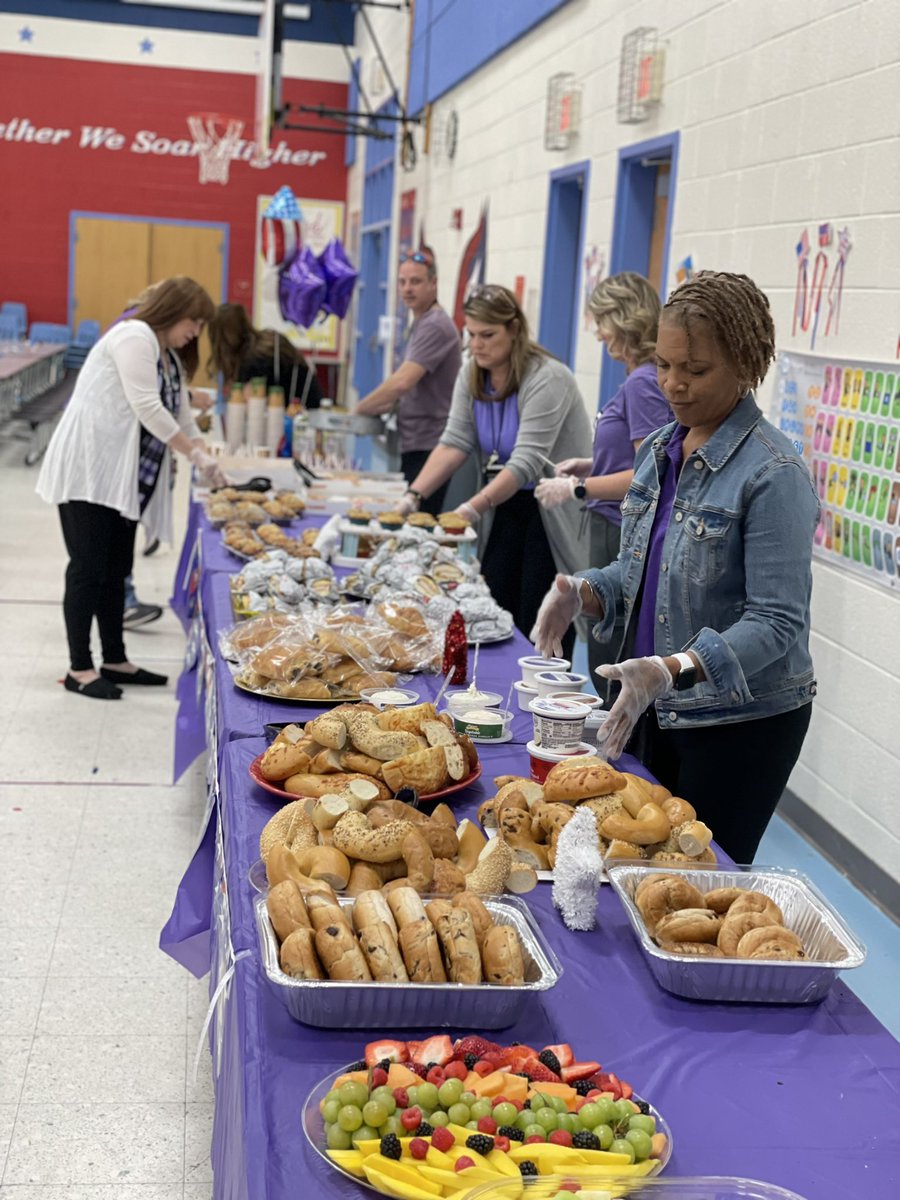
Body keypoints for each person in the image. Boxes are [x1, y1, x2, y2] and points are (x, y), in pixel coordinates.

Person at [531, 271, 818, 862]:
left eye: (695, 369)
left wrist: (676, 667)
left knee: (697, 878)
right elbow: (641, 574)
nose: (672, 383)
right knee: (634, 864)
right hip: (653, 701)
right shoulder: (661, 449)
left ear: (745, 365)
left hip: (736, 723)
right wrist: (583, 590)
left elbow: (777, 622)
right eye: (663, 365)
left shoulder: (773, 473)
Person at [37, 276, 226, 700]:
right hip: (90, 469)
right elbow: (147, 406)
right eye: (194, 322)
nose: (196, 332)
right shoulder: (133, 336)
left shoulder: (168, 356)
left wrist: (204, 453)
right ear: (174, 310)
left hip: (124, 479)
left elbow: (182, 414)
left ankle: (115, 659)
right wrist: (193, 455)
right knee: (87, 568)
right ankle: (79, 668)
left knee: (116, 569)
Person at [398, 284, 591, 653]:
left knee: (539, 614)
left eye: (487, 335)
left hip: (552, 509)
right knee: (493, 605)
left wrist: (471, 507)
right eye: (471, 334)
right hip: (507, 501)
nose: (477, 345)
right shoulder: (473, 373)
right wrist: (412, 496)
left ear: (514, 329)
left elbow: (526, 461)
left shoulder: (547, 377)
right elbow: (454, 441)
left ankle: (542, 684)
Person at [535, 272, 672, 694]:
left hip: (619, 527)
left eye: (602, 323)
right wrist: (593, 465)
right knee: (603, 645)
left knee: (608, 652)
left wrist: (578, 489)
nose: (598, 335)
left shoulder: (643, 381)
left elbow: (649, 475)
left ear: (625, 319)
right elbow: (639, 455)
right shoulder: (638, 378)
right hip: (612, 522)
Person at [355, 248, 461, 515]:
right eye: (402, 282)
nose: (407, 289)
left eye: (416, 281)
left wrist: (358, 410)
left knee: (417, 522)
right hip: (416, 440)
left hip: (430, 445)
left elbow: (402, 382)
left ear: (433, 283)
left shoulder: (434, 325)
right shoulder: (420, 322)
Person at [207, 302, 323, 409]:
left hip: (299, 412)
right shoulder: (268, 341)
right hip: (309, 404)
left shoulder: (252, 361)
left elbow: (248, 404)